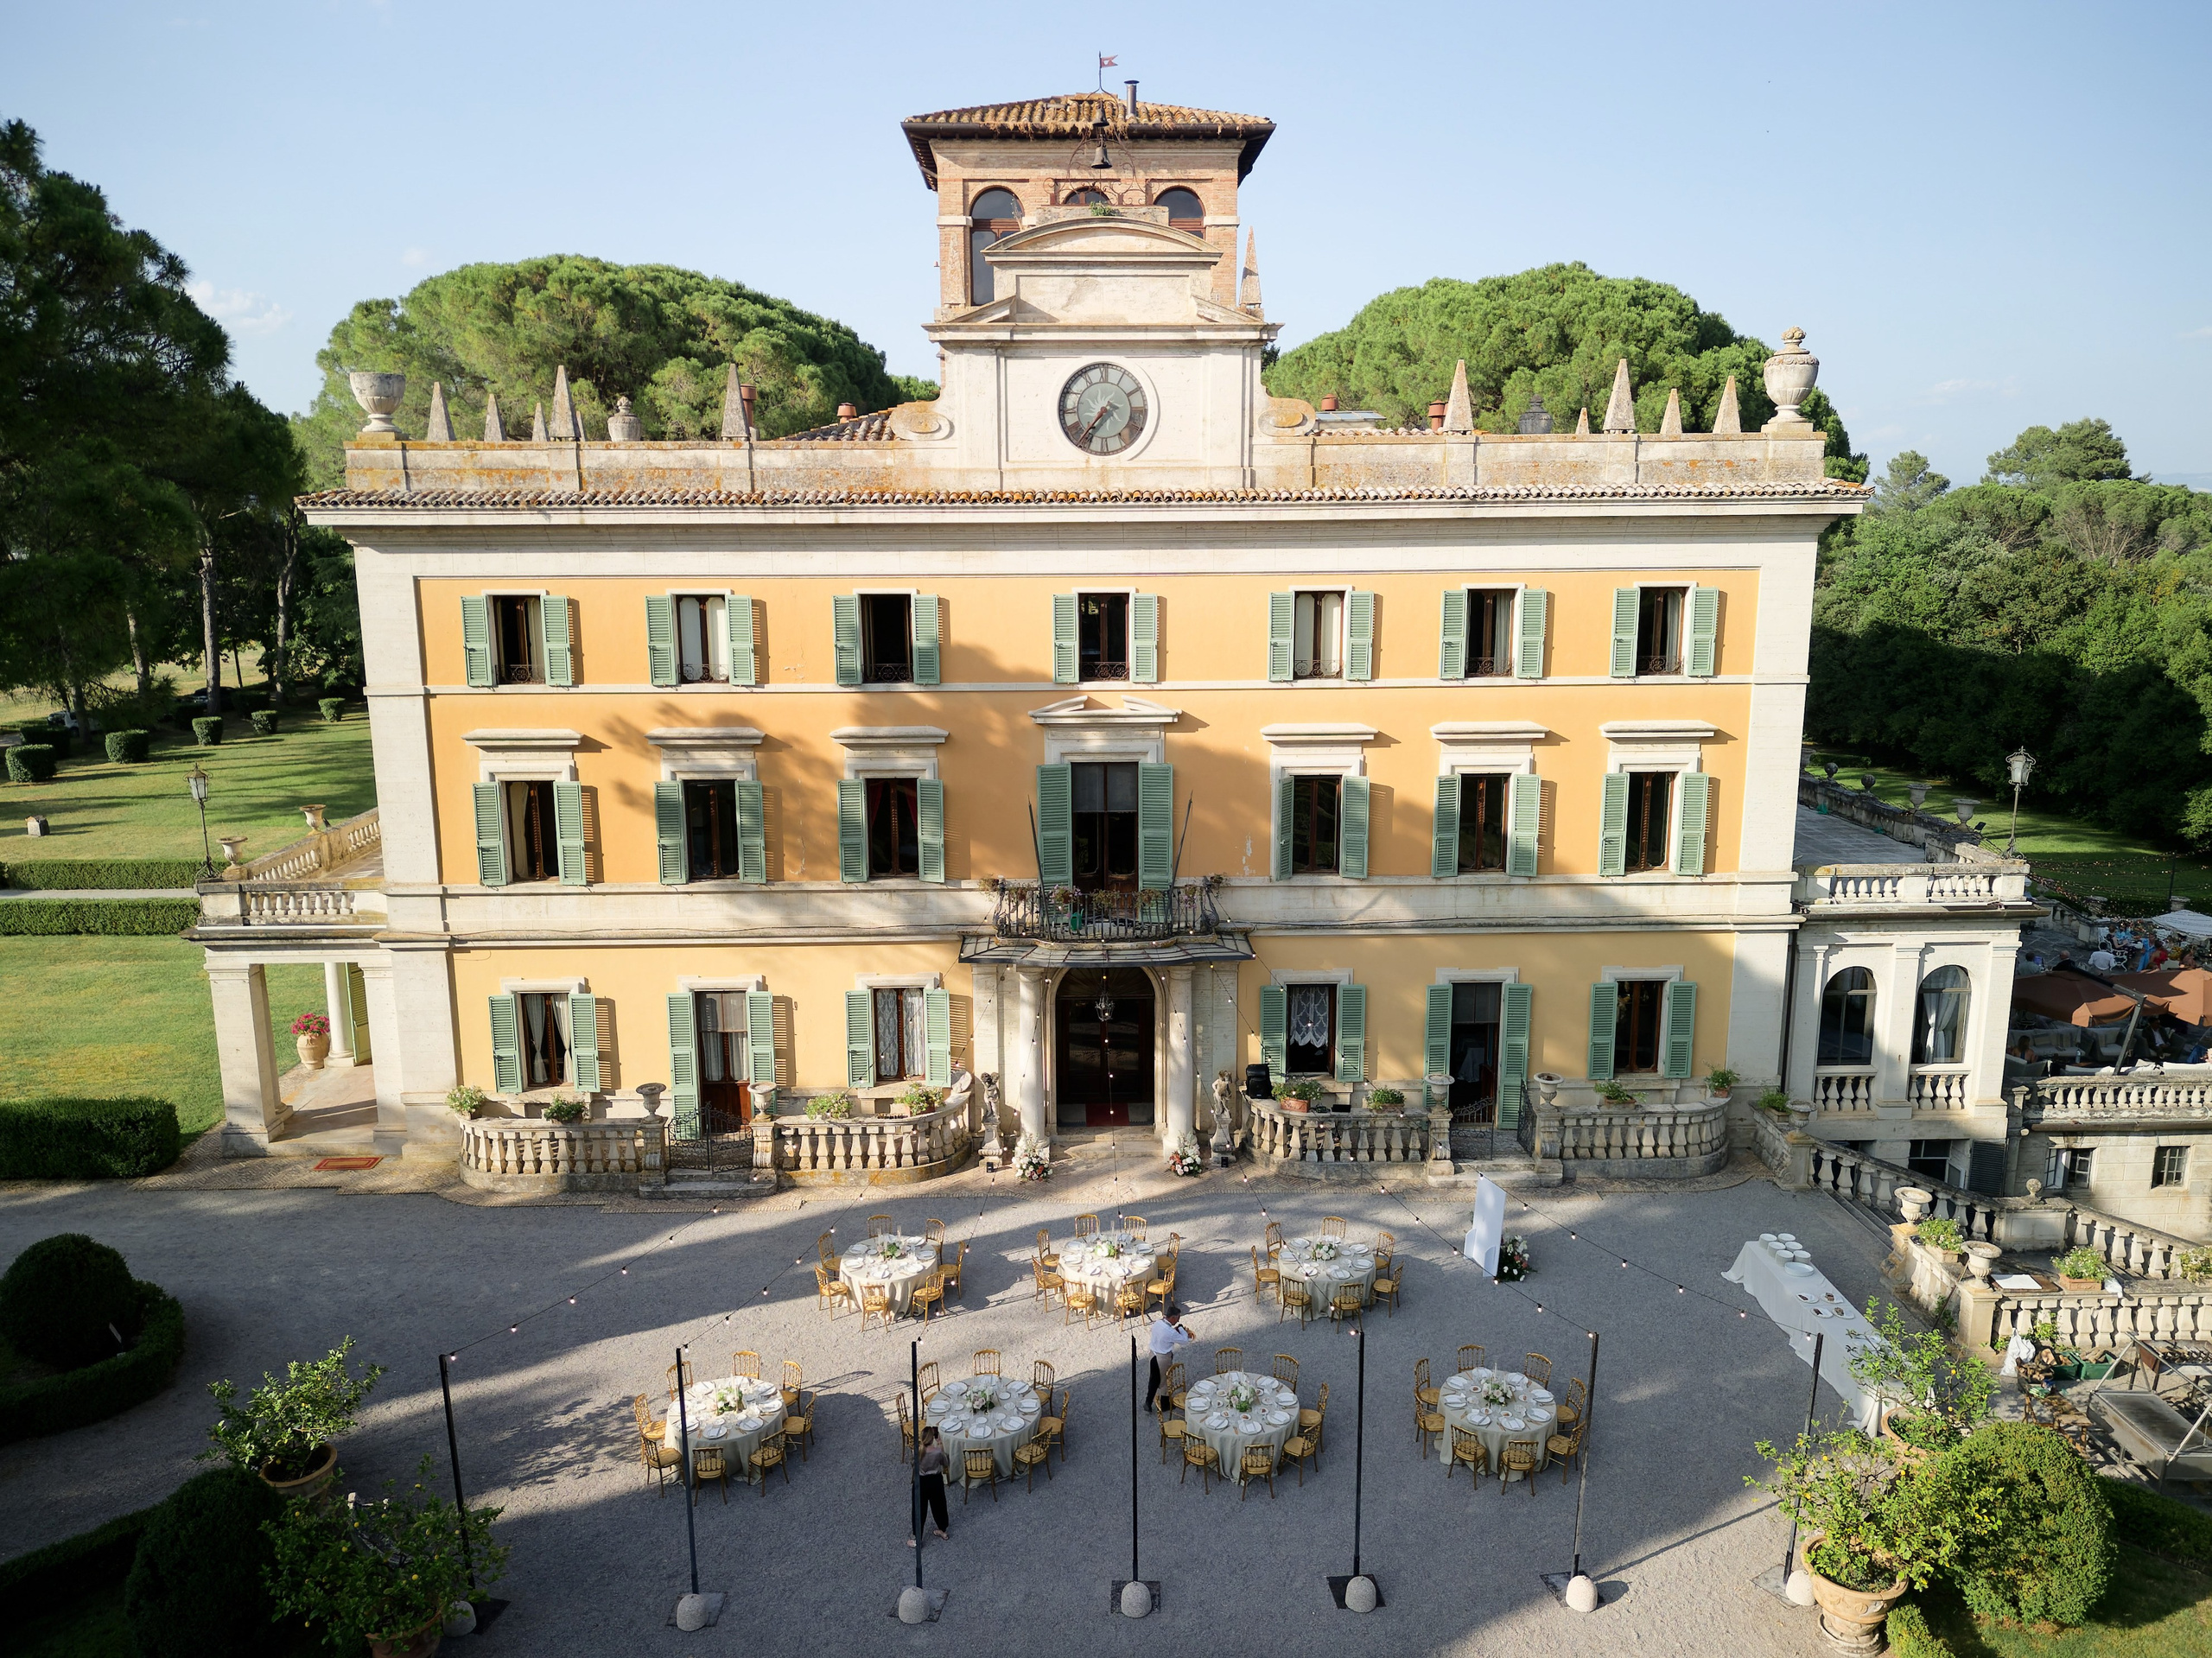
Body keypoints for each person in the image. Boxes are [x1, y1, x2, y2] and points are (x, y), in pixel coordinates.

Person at [1145, 1300, 1193, 1413]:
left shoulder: (1157, 1323)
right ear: (1172, 1318)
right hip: (1162, 1358)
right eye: (1177, 1318)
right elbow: (1185, 1340)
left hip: (1152, 1354)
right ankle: (1165, 1405)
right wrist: (1181, 1328)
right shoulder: (1170, 1332)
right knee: (1165, 1381)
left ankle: (1148, 1401)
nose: (1178, 1321)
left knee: (1154, 1379)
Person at [911, 1426, 949, 1545]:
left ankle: (918, 1538)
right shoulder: (937, 1452)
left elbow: (913, 1465)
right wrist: (941, 1445)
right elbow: (946, 1463)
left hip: (921, 1482)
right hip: (936, 1481)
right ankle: (943, 1530)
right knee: (939, 1506)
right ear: (933, 1438)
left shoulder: (917, 1451)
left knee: (919, 1509)